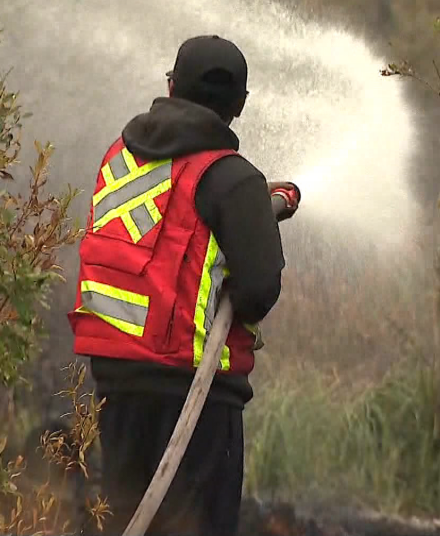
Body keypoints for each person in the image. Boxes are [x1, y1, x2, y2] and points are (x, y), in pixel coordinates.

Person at [68, 35, 300, 536]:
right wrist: (252, 210)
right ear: (238, 106)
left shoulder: (120, 159)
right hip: (195, 394)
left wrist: (249, 207)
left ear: (171, 86)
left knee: (129, 518)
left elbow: (177, 221)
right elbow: (259, 288)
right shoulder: (232, 180)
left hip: (116, 384)